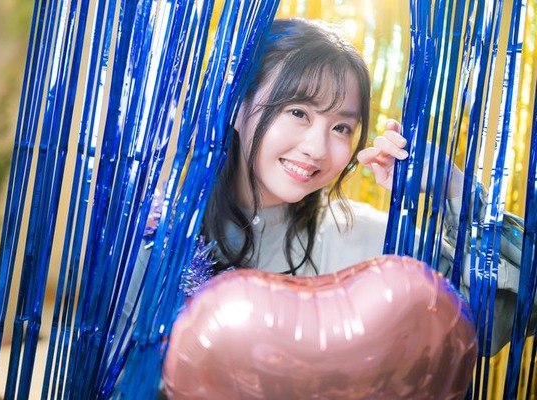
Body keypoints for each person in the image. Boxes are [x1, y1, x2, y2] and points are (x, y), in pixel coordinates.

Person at [129, 17, 529, 359]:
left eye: (341, 127)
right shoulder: (153, 240)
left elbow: (501, 314)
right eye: (298, 112)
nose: (318, 149)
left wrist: (453, 188)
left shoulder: (372, 244)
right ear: (236, 105)